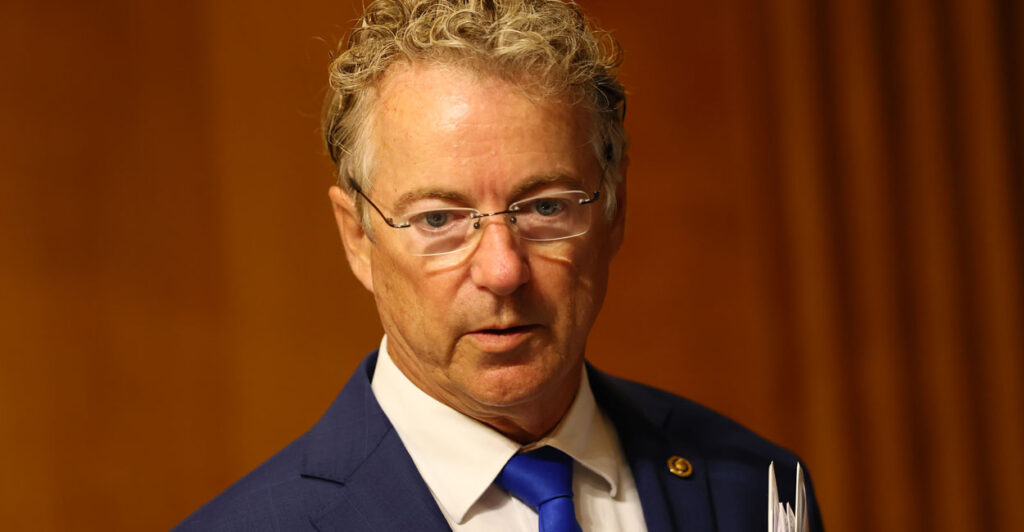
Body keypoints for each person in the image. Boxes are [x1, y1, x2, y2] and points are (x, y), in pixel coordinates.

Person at [176, 0, 825, 530]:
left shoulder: (755, 489)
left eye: (543, 207)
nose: (503, 271)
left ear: (613, 210)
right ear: (357, 236)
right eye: (439, 219)